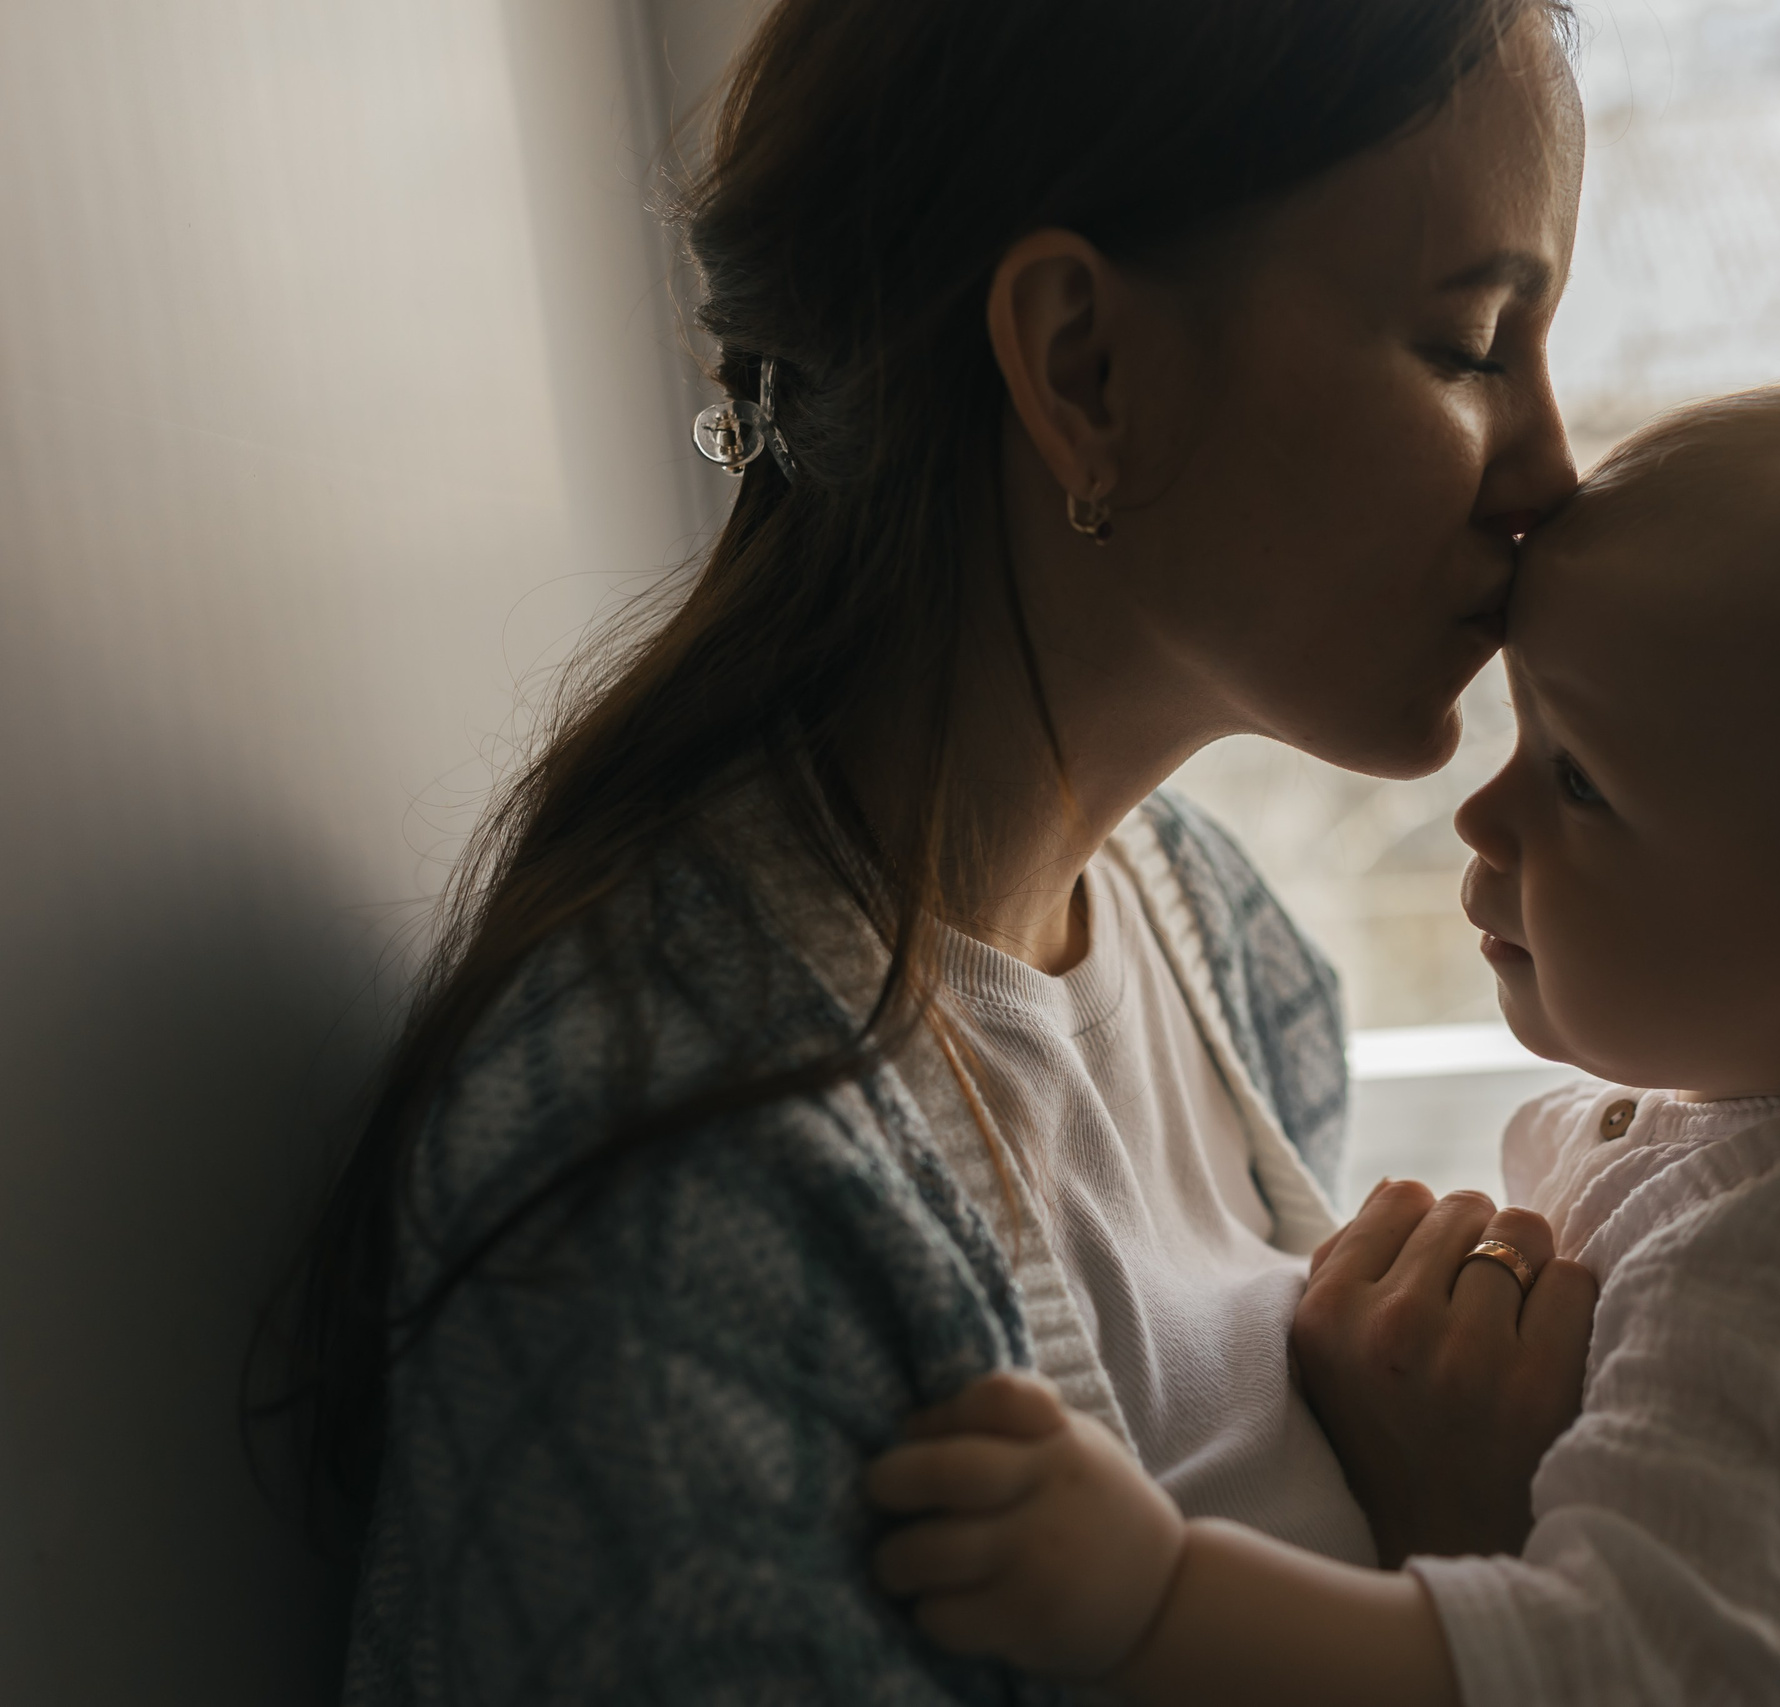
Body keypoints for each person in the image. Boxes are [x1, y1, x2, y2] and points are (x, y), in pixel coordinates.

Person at [270, 1, 1593, 1699]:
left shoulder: (1225, 947)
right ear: (1082, 370)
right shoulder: (668, 1199)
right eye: (1476, 341)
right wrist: (1468, 1569)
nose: (1551, 470)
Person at [863, 363, 1780, 1705]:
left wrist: (1154, 1598)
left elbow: (1616, 1676)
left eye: (1580, 782)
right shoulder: (1779, 1103)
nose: (1482, 815)